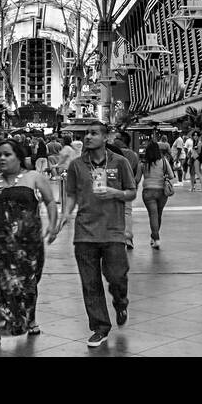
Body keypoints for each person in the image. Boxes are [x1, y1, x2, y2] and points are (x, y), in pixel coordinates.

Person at [55, 123, 137, 348]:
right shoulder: (76, 165)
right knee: (90, 284)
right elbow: (71, 193)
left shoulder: (120, 163)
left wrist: (115, 193)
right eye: (86, 134)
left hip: (113, 232)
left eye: (94, 133)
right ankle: (100, 327)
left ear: (106, 137)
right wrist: (65, 214)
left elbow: (131, 192)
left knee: (117, 277)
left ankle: (121, 302)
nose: (88, 137)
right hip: (85, 233)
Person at [0, 139, 58, 348]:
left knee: (27, 284)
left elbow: (49, 201)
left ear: (19, 157)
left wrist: (53, 224)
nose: (2, 159)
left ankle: (29, 319)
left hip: (28, 245)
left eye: (7, 154)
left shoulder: (33, 178)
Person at [136, 140, 174, 247]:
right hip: (162, 191)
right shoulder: (163, 161)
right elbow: (171, 175)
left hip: (148, 192)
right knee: (159, 214)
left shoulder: (143, 164)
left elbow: (137, 179)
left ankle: (156, 238)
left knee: (152, 215)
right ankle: (154, 237)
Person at [107, 130, 141, 249]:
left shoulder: (111, 154)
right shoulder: (134, 155)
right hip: (127, 188)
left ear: (122, 140)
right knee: (127, 213)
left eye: (116, 138)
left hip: (113, 187)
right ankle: (128, 238)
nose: (113, 140)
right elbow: (137, 173)